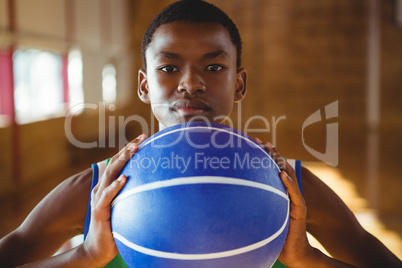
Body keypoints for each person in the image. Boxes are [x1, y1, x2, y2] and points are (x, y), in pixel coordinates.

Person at [0, 0, 401, 267]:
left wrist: (309, 259)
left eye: (213, 67)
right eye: (168, 67)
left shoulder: (290, 187)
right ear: (144, 85)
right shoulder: (97, 190)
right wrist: (84, 256)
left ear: (239, 84)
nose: (190, 83)